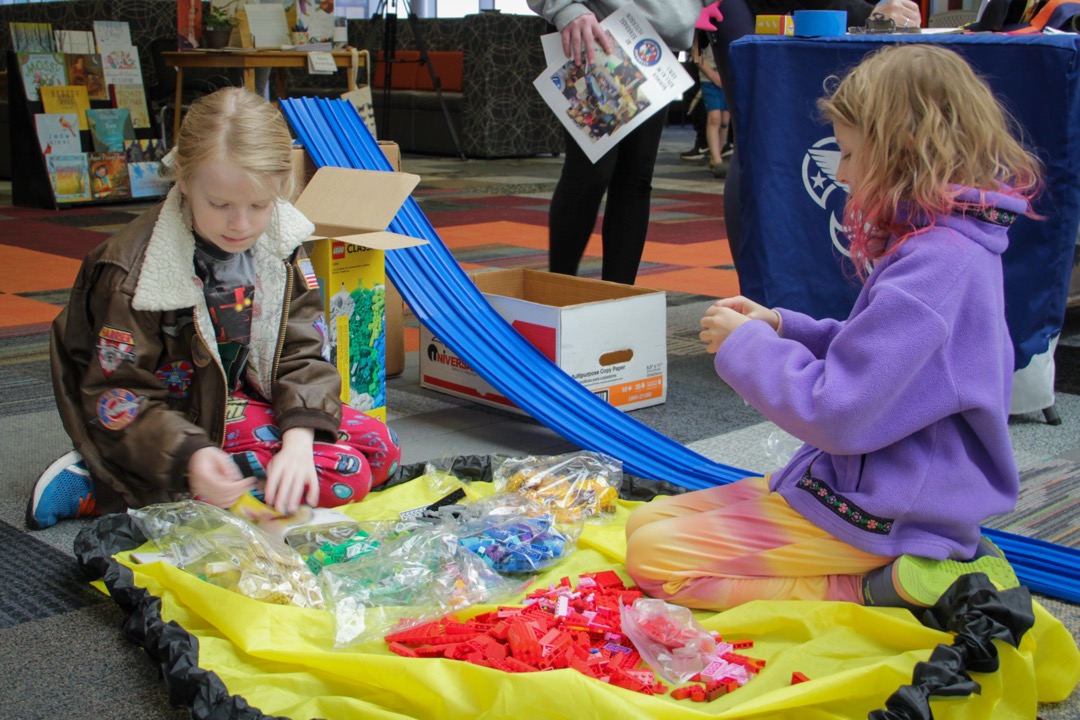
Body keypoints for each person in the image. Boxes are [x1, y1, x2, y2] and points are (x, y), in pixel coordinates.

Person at [624, 44, 1041, 612]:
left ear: (901, 152)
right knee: (647, 520)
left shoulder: (937, 265)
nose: (841, 172)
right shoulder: (941, 247)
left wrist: (749, 348)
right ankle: (916, 559)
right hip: (875, 484)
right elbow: (876, 354)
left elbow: (838, 411)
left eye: (848, 154)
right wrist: (781, 326)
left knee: (653, 556)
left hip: (891, 510)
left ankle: (868, 588)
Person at [27, 87, 401, 530]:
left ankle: (178, 482)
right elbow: (117, 397)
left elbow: (301, 352)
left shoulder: (281, 246)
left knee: (382, 448)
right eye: (220, 204)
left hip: (236, 399)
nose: (241, 224)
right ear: (183, 178)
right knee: (349, 474)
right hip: (161, 417)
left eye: (259, 205)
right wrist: (195, 455)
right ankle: (106, 477)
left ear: (280, 189)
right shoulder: (132, 273)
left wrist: (299, 439)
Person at [706, 0, 922, 272]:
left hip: (853, 24)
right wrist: (867, 14)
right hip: (782, 23)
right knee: (761, 145)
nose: (841, 175)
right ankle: (769, 289)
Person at [526, 0, 712, 285]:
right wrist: (565, 8)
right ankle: (558, 294)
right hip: (593, 25)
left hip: (656, 38)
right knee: (590, 173)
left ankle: (619, 299)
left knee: (635, 177)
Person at [691, 30, 730, 179]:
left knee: (725, 119)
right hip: (709, 77)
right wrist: (713, 76)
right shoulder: (701, 27)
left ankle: (717, 155)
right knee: (714, 118)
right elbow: (696, 54)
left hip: (727, 76)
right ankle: (716, 158)